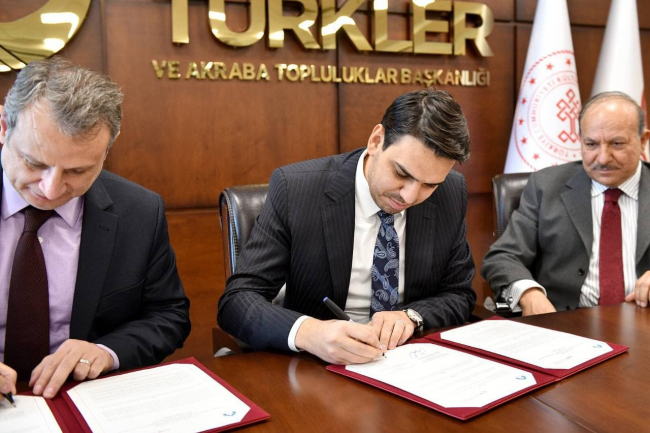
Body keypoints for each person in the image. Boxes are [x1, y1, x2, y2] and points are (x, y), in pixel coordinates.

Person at [218, 88, 476, 364]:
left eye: (429, 185)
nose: (410, 197)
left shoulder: (451, 192)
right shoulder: (296, 190)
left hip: (406, 361)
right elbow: (237, 300)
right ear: (376, 141)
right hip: (316, 365)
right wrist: (309, 332)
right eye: (401, 173)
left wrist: (411, 316)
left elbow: (459, 293)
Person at [0, 57, 190, 400]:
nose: (50, 189)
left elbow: (168, 316)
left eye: (77, 171)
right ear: (3, 128)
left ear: (105, 154)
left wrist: (105, 352)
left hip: (83, 398)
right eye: (34, 163)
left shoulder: (139, 212)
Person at [482, 91, 650, 316]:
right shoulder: (545, 187)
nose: (602, 158)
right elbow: (502, 257)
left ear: (643, 141)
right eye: (591, 144)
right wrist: (529, 294)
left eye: (617, 144)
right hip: (562, 322)